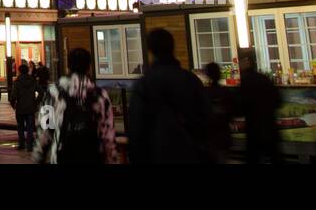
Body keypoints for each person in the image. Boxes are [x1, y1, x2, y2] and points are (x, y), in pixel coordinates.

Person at [127, 28, 211, 164]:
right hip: (189, 154)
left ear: (150, 50)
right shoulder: (191, 80)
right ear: (173, 48)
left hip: (156, 154)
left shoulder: (144, 84)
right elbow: (206, 119)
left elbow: (136, 130)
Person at [33, 48, 117, 164]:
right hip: (92, 157)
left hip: (61, 156)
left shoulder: (54, 92)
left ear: (68, 66)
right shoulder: (100, 95)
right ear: (89, 67)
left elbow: (44, 129)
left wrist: (39, 156)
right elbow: (108, 133)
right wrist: (111, 159)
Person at [235, 51, 281, 163]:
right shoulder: (264, 79)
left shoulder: (245, 82)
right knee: (275, 156)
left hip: (254, 129)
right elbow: (278, 101)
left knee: (254, 158)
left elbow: (240, 107)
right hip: (270, 126)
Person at [203, 62, 235, 162]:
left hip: (210, 136)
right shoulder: (225, 92)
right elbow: (231, 112)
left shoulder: (205, 93)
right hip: (224, 134)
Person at [10, 62, 40, 151]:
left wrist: (13, 104)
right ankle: (30, 146)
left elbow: (13, 95)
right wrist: (36, 101)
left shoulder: (17, 82)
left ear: (19, 71)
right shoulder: (33, 81)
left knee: (21, 127)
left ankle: (22, 144)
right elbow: (41, 92)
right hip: (31, 107)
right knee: (30, 128)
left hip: (20, 107)